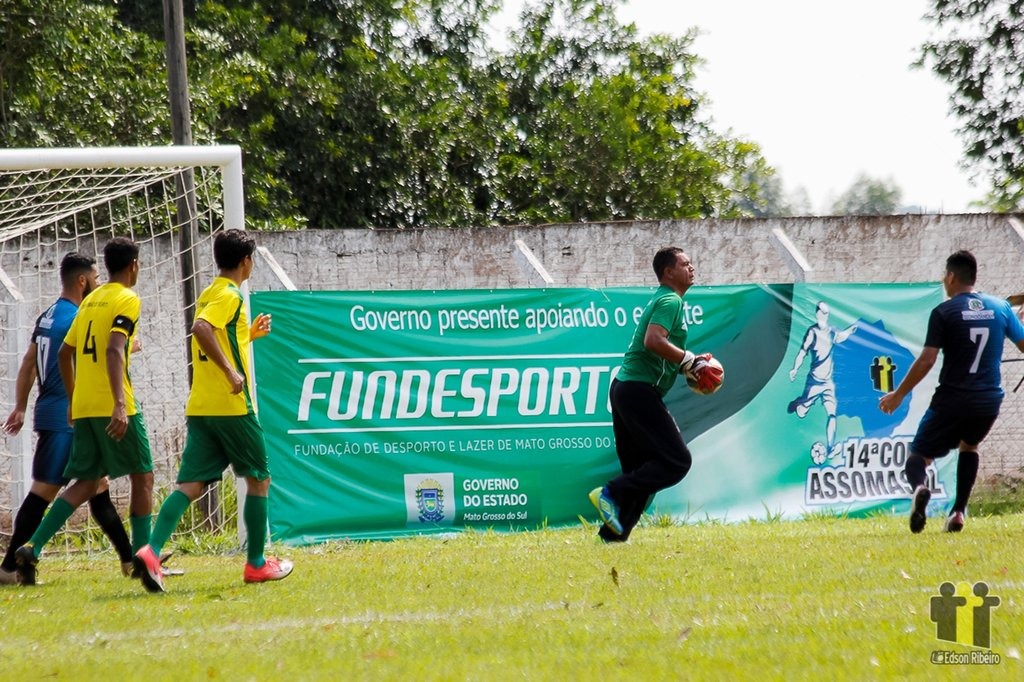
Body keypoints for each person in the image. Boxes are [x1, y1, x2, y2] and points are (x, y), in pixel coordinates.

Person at [133, 229, 292, 592]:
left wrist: (245, 336)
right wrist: (231, 370)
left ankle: (151, 551)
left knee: (190, 484)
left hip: (201, 405)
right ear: (247, 261)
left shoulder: (210, 291)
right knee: (259, 478)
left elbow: (214, 335)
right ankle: (255, 564)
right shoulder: (230, 294)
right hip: (231, 406)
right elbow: (202, 329)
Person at [14, 237, 154, 585]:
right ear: (133, 265)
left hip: (82, 407)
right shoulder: (125, 298)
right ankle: (144, 556)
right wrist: (119, 402)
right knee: (142, 475)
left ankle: (33, 547)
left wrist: (72, 401)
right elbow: (112, 350)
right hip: (105, 405)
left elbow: (62, 354)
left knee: (90, 482)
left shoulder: (86, 305)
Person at [879, 250, 1024, 533]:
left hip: (953, 399)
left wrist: (899, 394)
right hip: (988, 400)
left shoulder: (944, 312)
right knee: (970, 446)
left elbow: (927, 359)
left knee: (918, 456)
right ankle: (958, 512)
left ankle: (920, 488)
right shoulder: (1001, 309)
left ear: (951, 276)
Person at [588, 247, 721, 542]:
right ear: (668, 272)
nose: (692, 268)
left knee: (641, 472)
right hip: (637, 390)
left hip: (627, 388)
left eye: (691, 263)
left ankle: (611, 538)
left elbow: (659, 347)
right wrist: (687, 359)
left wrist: (687, 366)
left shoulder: (666, 299)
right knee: (676, 461)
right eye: (686, 264)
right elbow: (653, 340)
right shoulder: (670, 299)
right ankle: (610, 491)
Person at [788, 301, 858, 460]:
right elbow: (802, 352)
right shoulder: (812, 332)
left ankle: (831, 447)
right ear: (817, 313)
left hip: (828, 383)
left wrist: (851, 330)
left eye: (827, 313)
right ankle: (800, 403)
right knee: (801, 413)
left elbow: (841, 337)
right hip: (814, 381)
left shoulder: (832, 331)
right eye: (822, 312)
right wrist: (795, 369)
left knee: (832, 414)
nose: (824, 316)